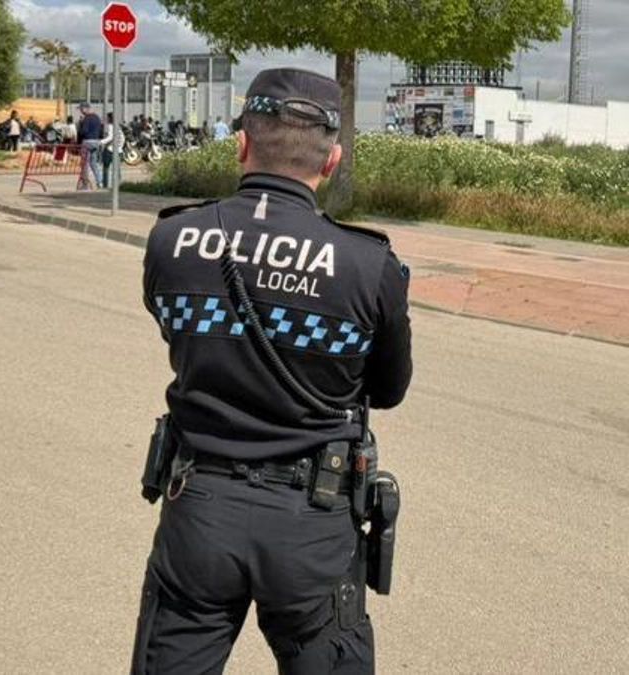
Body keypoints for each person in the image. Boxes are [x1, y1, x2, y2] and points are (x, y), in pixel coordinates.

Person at [133, 68, 413, 674]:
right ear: (331, 160)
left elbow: (175, 331)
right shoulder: (369, 266)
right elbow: (388, 390)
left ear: (241, 145)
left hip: (198, 509)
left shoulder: (172, 239)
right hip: (313, 523)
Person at [77, 102, 105, 190]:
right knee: (94, 163)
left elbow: (83, 131)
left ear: (85, 108)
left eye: (81, 109)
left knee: (84, 164)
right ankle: (100, 182)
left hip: (87, 142)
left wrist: (80, 125)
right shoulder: (97, 117)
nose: (80, 111)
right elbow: (101, 131)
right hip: (96, 141)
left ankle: (85, 184)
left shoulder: (87, 118)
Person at [100, 112, 125, 189]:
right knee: (117, 169)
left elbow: (111, 137)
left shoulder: (110, 126)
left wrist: (101, 142)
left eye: (107, 118)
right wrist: (120, 146)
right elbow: (123, 138)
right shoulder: (119, 127)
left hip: (110, 150)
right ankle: (118, 185)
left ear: (109, 118)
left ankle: (105, 185)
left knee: (106, 168)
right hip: (119, 151)